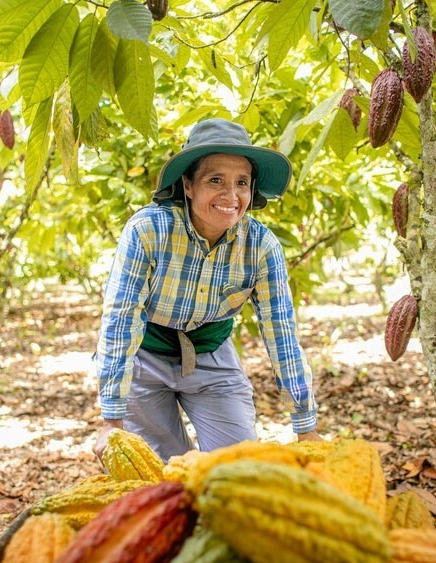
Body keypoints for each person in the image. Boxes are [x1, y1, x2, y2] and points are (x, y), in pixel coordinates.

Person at [92, 118, 320, 464]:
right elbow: (121, 320)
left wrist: (306, 427)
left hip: (211, 356)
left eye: (241, 183)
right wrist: (111, 420)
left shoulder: (260, 247)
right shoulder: (148, 231)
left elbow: (281, 334)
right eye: (216, 180)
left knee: (237, 472)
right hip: (144, 358)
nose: (231, 196)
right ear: (188, 185)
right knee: (160, 477)